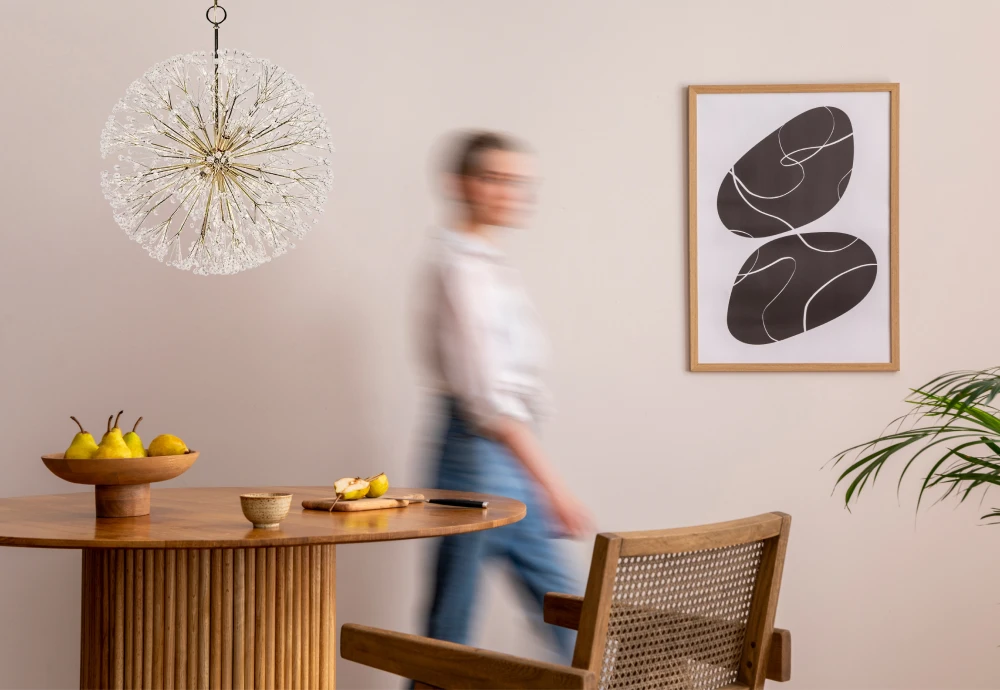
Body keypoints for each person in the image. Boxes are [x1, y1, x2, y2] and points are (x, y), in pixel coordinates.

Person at [417, 130, 594, 663]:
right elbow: (490, 400)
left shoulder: (489, 263)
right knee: (449, 632)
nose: (509, 192)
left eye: (519, 183)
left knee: (568, 614)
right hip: (475, 456)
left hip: (503, 455)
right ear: (459, 183)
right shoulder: (461, 268)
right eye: (494, 178)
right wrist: (553, 487)